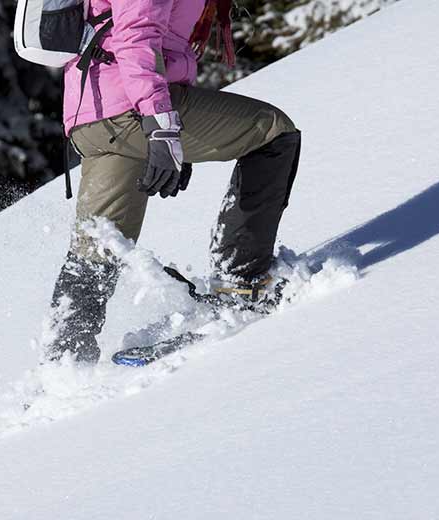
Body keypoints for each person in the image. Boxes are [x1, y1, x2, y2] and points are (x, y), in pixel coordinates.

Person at [46, 0, 301, 363]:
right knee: (274, 131)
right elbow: (136, 35)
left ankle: (65, 361)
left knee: (100, 240)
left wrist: (171, 134)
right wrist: (163, 127)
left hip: (93, 117)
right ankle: (241, 282)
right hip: (130, 108)